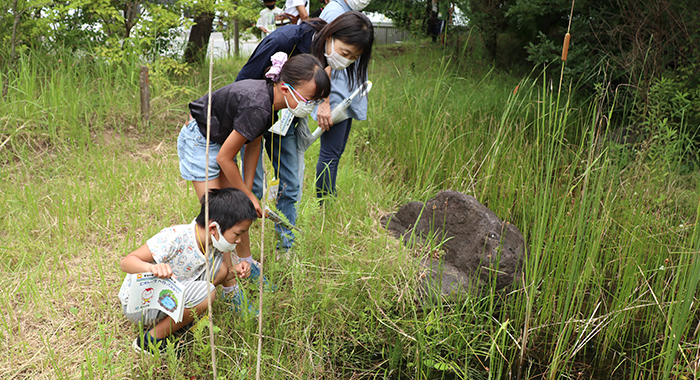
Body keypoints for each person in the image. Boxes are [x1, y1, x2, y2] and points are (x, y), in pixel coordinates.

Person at [177, 54, 330, 291]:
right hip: (201, 141)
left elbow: (254, 144)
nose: (311, 105)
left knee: (239, 207)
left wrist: (246, 193)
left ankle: (246, 262)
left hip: (220, 139)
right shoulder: (259, 106)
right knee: (218, 215)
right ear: (285, 88)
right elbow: (224, 158)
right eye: (309, 99)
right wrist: (248, 194)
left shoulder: (271, 104)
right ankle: (228, 283)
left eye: (316, 100)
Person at [236, 11, 373, 253]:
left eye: (354, 58)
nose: (346, 60)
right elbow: (243, 80)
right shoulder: (285, 40)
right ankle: (241, 253)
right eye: (344, 53)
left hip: (289, 120)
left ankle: (286, 249)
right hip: (254, 116)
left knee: (291, 185)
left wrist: (322, 101)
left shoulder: (328, 55)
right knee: (251, 189)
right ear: (331, 35)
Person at [118, 188, 257, 356]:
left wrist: (234, 271)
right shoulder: (175, 237)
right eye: (237, 233)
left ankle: (181, 318)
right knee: (208, 293)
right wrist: (151, 267)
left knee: (221, 268)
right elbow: (126, 262)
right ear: (214, 228)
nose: (239, 240)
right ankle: (150, 340)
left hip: (167, 294)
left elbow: (218, 275)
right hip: (142, 305)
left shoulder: (211, 243)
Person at [315, 0, 372, 202]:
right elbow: (323, 60)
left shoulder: (352, 13)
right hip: (334, 95)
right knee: (330, 153)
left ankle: (329, 198)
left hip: (346, 94)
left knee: (336, 152)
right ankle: (324, 204)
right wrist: (324, 101)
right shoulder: (335, 11)